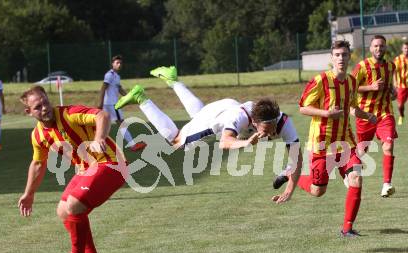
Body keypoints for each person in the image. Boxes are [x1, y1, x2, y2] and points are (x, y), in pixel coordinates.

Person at [115, 66, 303, 204]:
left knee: (197, 115)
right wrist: (246, 143)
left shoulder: (284, 123)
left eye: (272, 127)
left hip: (227, 105)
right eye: (266, 128)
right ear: (254, 122)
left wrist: (289, 190)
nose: (271, 132)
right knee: (175, 141)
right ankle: (141, 98)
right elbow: (225, 142)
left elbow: (297, 158)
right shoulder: (239, 118)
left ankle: (173, 80)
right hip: (222, 114)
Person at [18, 86, 127, 253]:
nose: (44, 108)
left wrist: (99, 138)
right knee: (63, 211)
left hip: (112, 163)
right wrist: (29, 193)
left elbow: (102, 115)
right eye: (38, 107)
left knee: (74, 204)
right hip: (87, 169)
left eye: (45, 102)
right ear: (28, 112)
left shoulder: (69, 113)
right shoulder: (38, 136)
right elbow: (37, 164)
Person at [297, 40, 377, 237]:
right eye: (337, 55)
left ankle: (347, 229)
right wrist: (326, 114)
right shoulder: (320, 80)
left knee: (356, 178)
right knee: (318, 191)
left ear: (350, 57)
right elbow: (302, 107)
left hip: (346, 144)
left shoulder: (351, 82)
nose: (341, 58)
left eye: (344, 54)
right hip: (321, 145)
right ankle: (295, 175)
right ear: (331, 58)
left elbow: (352, 107)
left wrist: (367, 116)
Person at [352, 35, 397, 198]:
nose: (379, 49)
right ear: (371, 48)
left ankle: (387, 184)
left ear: (386, 48)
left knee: (388, 146)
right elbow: (352, 88)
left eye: (382, 46)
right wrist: (370, 86)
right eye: (376, 46)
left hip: (385, 114)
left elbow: (390, 88)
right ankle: (349, 173)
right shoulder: (362, 66)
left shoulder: (391, 66)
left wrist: (393, 93)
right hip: (366, 115)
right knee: (362, 149)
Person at [99, 55, 146, 151]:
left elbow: (119, 89)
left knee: (104, 125)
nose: (119, 64)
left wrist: (130, 98)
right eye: (117, 63)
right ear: (112, 64)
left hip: (110, 104)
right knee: (121, 123)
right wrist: (100, 103)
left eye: (120, 63)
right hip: (111, 104)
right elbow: (103, 88)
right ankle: (133, 145)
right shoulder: (110, 75)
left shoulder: (117, 76)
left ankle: (98, 144)